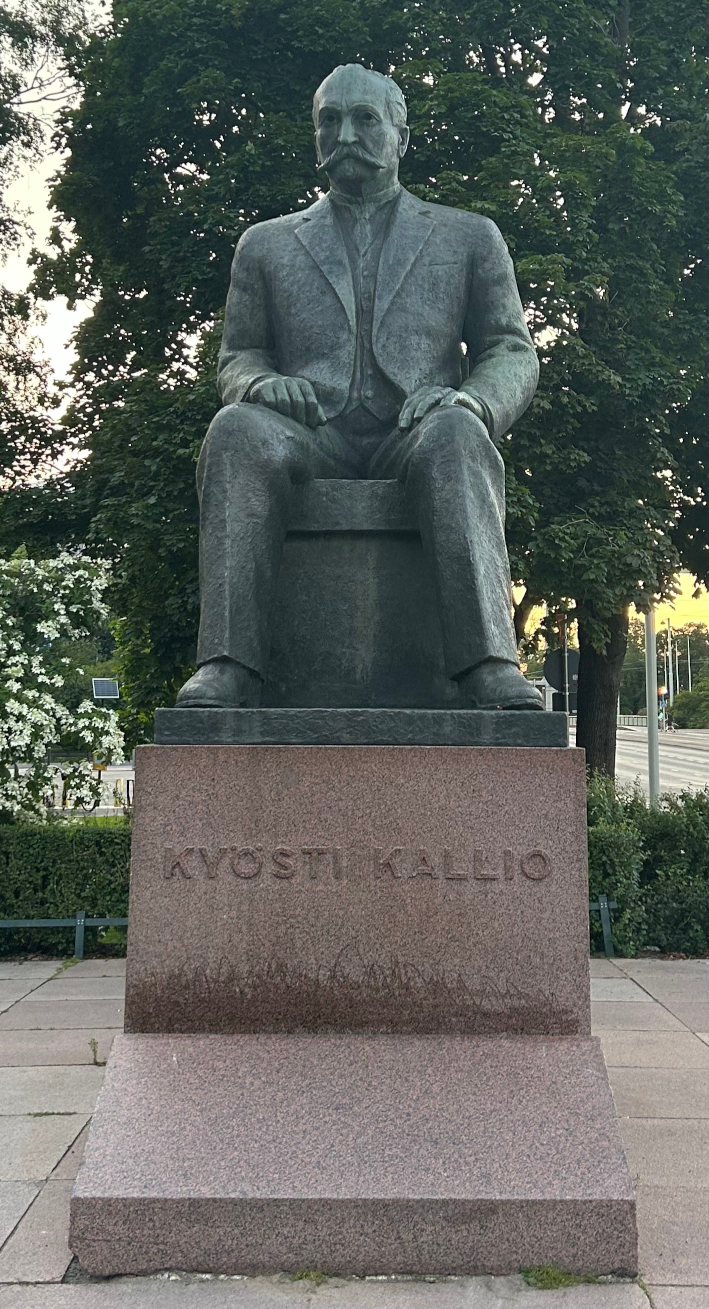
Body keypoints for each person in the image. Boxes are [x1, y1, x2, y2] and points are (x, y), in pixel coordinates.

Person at [176, 64, 543, 711]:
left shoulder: (468, 236)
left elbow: (510, 349)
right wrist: (261, 383)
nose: (345, 134)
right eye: (330, 120)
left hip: (417, 429)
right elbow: (238, 357)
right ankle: (228, 664)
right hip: (311, 432)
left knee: (458, 434)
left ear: (401, 136)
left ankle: (489, 665)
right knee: (234, 430)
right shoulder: (265, 245)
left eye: (365, 119)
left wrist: (471, 400)